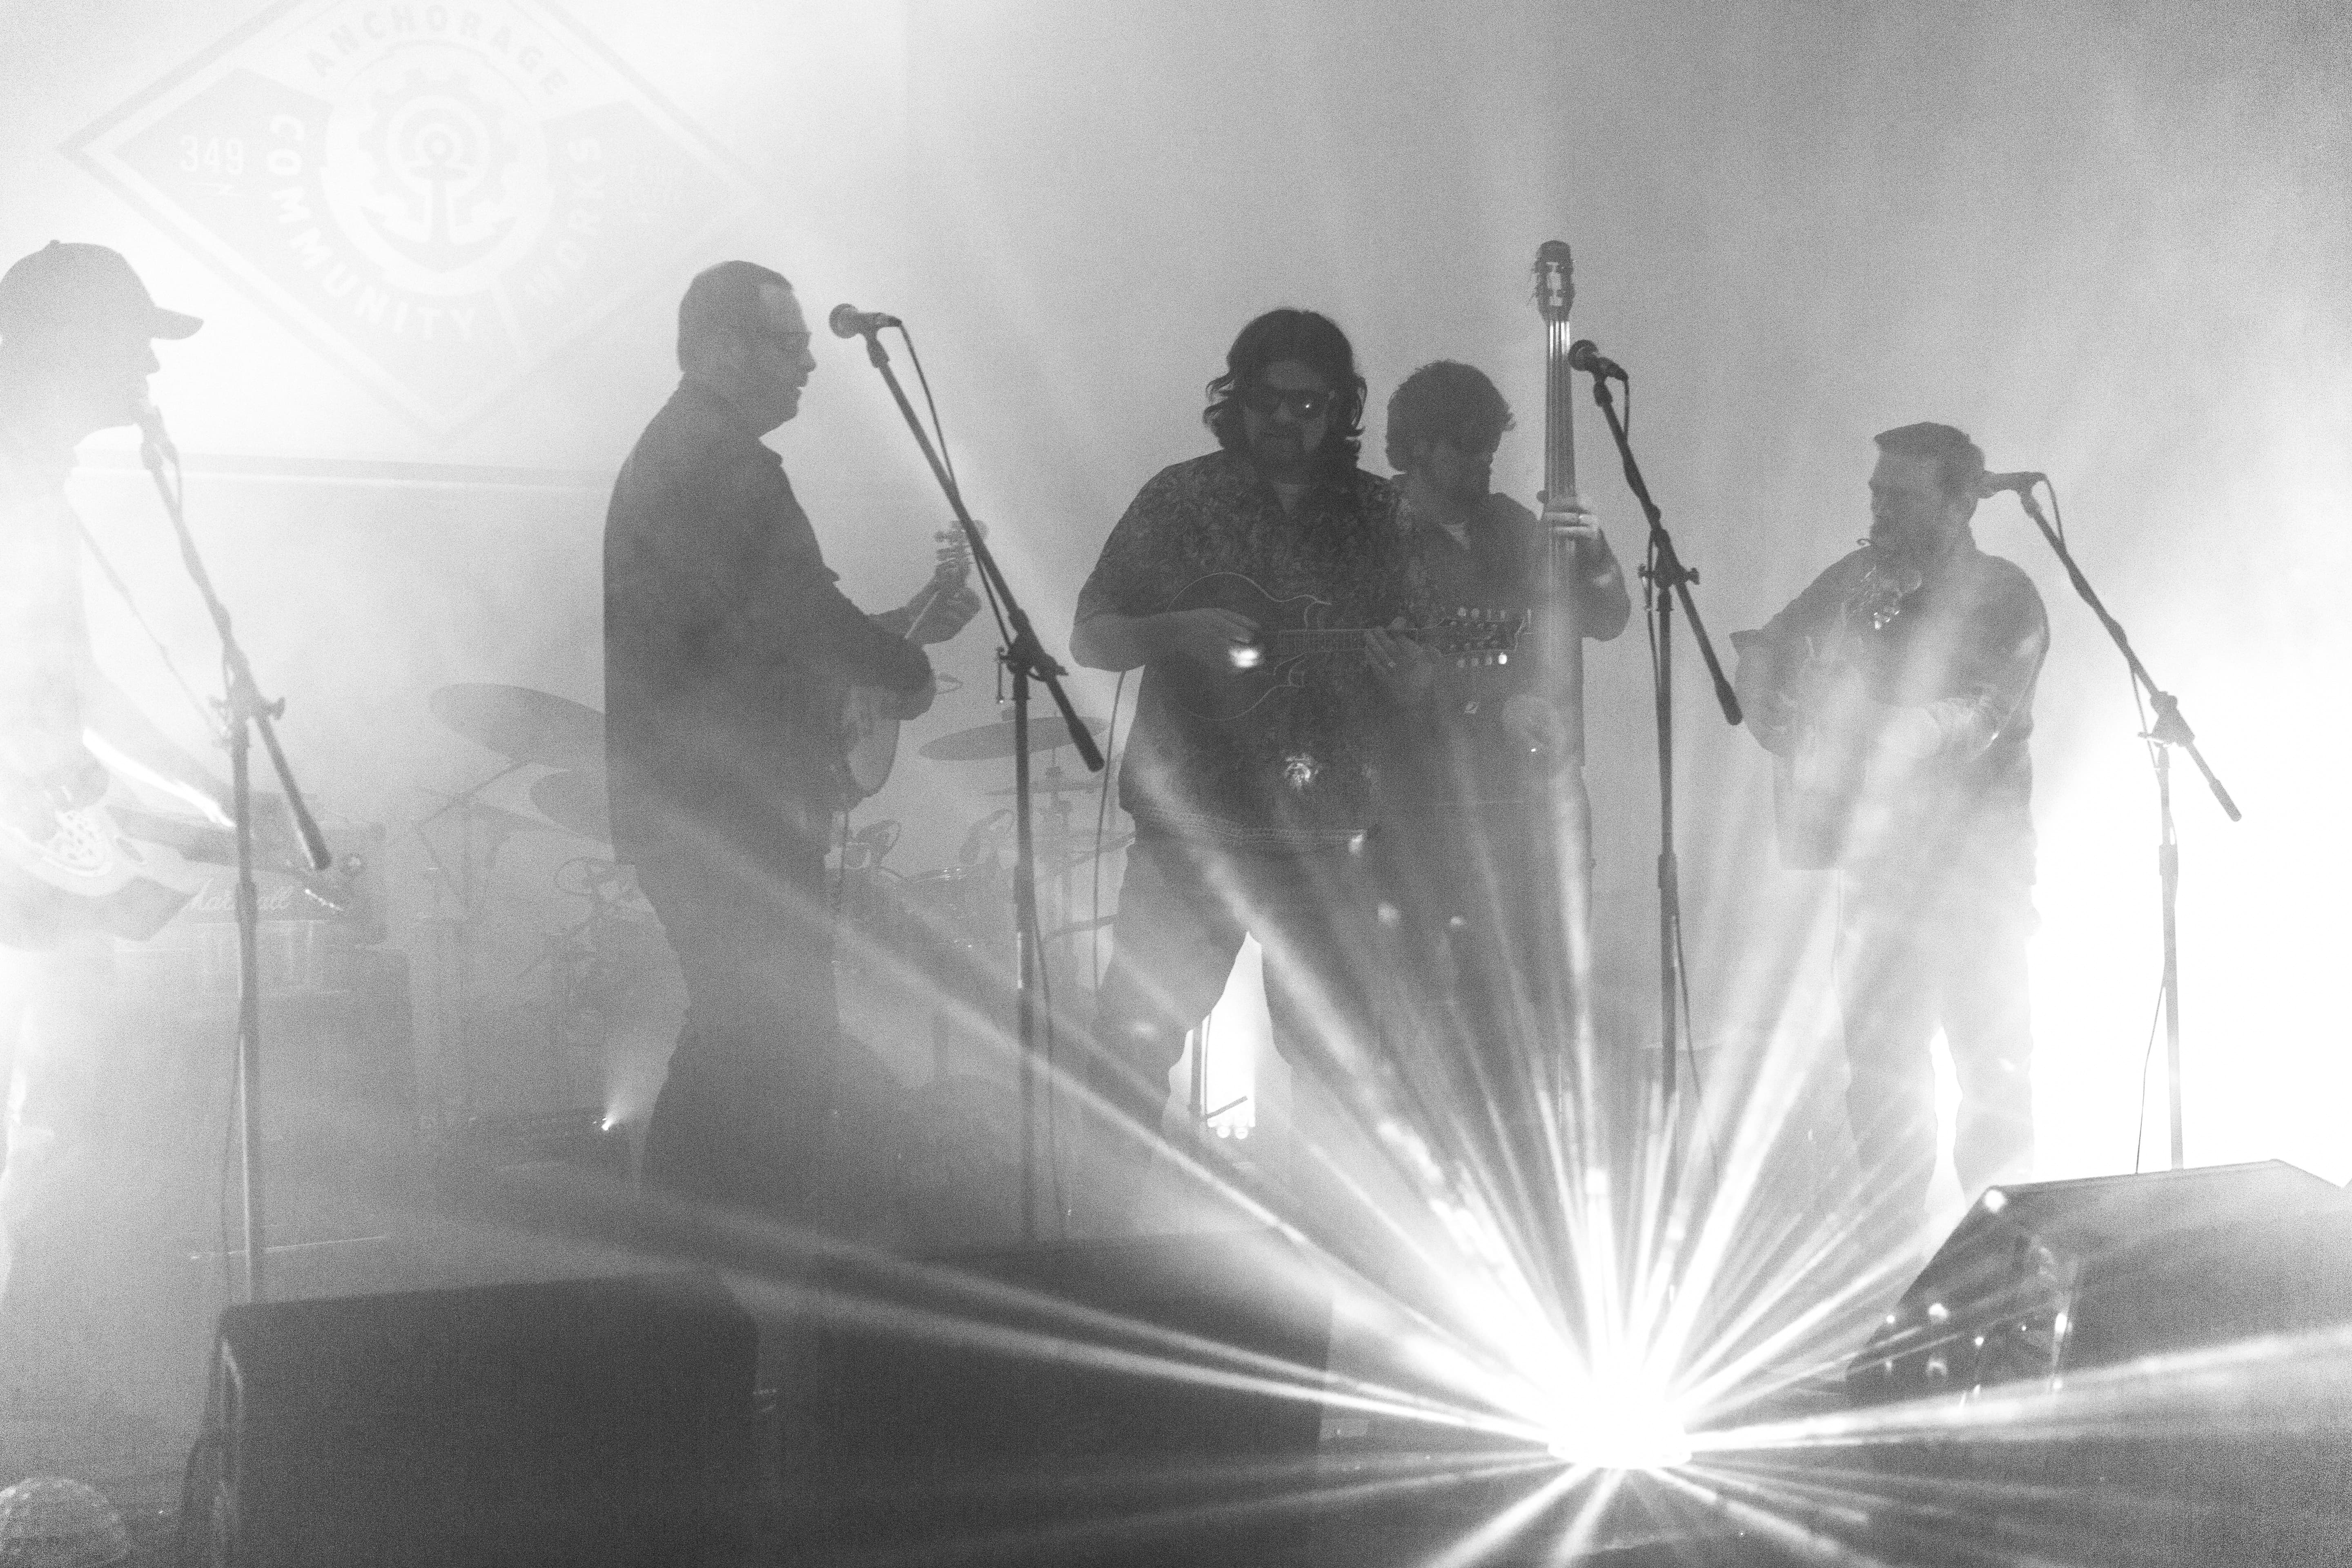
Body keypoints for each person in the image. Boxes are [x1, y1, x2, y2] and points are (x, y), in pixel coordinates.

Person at [603, 259, 978, 1222]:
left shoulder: (695, 451)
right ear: (722, 348)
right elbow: (799, 613)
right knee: (768, 1044)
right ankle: (696, 1270)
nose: (812, 363)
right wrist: (901, 668)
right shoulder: (720, 460)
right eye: (790, 343)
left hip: (706, 809)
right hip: (722, 814)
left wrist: (897, 631)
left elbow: (759, 634)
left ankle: (698, 1272)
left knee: (749, 1042)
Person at [1069, 308, 1430, 1222]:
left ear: (1341, 408)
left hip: (1328, 833)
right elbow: (1091, 634)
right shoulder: (1182, 499)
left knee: (1343, 1066)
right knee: (1133, 1040)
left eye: (1311, 405)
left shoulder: (1380, 512)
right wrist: (1178, 629)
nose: (1289, 421)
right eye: (1270, 401)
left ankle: (1337, 1264)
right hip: (1193, 826)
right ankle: (1105, 1247)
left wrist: (1416, 670)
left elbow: (1423, 661)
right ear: (1238, 398)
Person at [1733, 421, 2047, 1253]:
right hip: (1877, 881)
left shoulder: (2004, 592)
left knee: (1994, 1095)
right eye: (1875, 492)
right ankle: (1895, 1281)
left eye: (1899, 495)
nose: (1877, 508)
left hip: (1976, 882)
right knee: (1882, 1095)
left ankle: (2005, 1284)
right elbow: (1768, 644)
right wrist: (1776, 710)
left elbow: (1985, 712)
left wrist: (1894, 730)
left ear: (1958, 502)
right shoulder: (1854, 578)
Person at [0, 242, 227, 1384]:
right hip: (26, 870)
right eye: (130, 339)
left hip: (40, 865)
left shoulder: (32, 482)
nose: (146, 365)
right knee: (61, 1099)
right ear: (62, 346)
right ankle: (40, 1371)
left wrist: (202, 788)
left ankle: (48, 1357)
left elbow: (67, 685)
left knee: (70, 1095)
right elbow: (49, 698)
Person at [1379, 360, 1629, 1180]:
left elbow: (1608, 616)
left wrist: (1591, 545)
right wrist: (1489, 704)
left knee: (1550, 1000)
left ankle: (1543, 1178)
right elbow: (1391, 670)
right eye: (1464, 445)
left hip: (1538, 805)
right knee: (1448, 1011)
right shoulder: (1378, 538)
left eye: (1490, 444)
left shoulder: (1515, 527)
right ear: (1416, 446)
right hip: (1433, 813)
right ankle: (1459, 1183)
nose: (1483, 460)